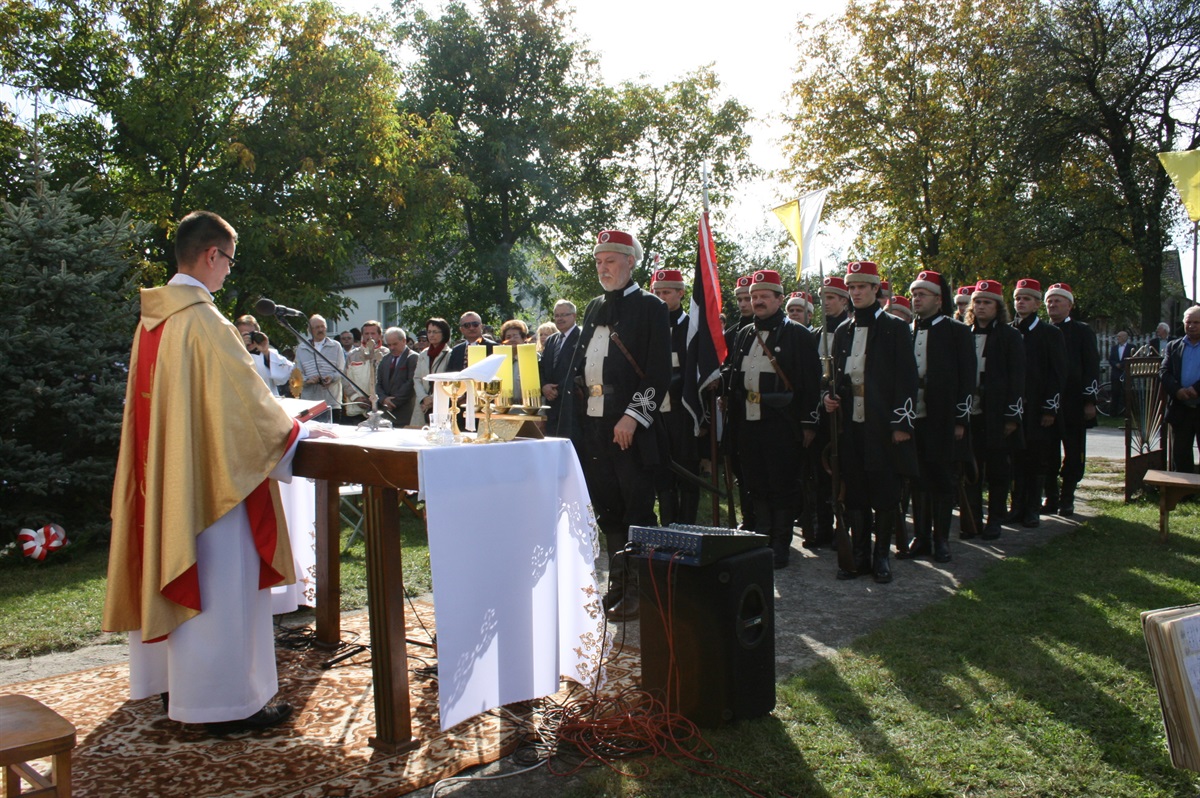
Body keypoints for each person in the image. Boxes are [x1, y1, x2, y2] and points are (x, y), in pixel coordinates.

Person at [102, 210, 335, 733]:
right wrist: (296, 431)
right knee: (222, 587)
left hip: (168, 479)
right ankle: (225, 706)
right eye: (229, 259)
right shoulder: (204, 322)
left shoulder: (153, 320)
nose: (229, 270)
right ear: (212, 254)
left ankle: (176, 687)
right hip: (213, 488)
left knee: (181, 568)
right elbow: (247, 407)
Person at [562, 229, 671, 621]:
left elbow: (658, 373)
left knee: (637, 507)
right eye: (598, 261)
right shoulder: (593, 307)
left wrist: (633, 416)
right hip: (593, 422)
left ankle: (642, 592)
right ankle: (618, 586)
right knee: (608, 507)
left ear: (630, 261)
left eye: (610, 261)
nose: (603, 268)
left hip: (629, 426)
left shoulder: (652, 307)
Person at [822, 261, 919, 583]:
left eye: (862, 287)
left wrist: (901, 424)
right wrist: (828, 398)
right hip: (851, 425)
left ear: (876, 289)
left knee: (885, 492)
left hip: (883, 424)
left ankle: (881, 558)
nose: (856, 292)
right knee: (856, 493)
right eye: (851, 287)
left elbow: (907, 379)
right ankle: (860, 555)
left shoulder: (895, 328)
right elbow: (836, 378)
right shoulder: (843, 331)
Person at [728, 269, 821, 567]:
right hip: (748, 421)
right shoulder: (744, 334)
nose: (757, 301)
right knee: (755, 482)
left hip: (781, 422)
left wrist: (808, 423)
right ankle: (761, 537)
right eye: (754, 296)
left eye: (764, 296)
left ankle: (780, 543)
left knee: (781, 484)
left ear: (779, 299)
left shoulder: (798, 334)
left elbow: (810, 383)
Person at [898, 271, 975, 563]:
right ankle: (921, 537)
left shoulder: (957, 332)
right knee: (917, 479)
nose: (916, 299)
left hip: (942, 417)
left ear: (939, 299)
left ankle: (941, 539)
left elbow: (967, 378)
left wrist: (960, 419)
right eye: (914, 294)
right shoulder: (906, 330)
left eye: (923, 294)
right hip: (912, 415)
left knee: (941, 478)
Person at [962, 280, 1025, 540]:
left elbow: (1017, 377)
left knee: (998, 469)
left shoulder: (1010, 336)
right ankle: (973, 520)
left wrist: (1012, 415)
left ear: (998, 307)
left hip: (997, 413)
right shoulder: (964, 333)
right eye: (977, 302)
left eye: (987, 302)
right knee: (971, 468)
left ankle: (995, 519)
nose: (981, 307)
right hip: (970, 412)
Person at [1008, 279, 1066, 528]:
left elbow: (1057, 374)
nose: (1021, 302)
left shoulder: (1050, 333)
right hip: (1013, 407)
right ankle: (1016, 506)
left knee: (1037, 458)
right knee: (1015, 459)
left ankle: (1032, 508)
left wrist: (1050, 408)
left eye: (1026, 298)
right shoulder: (1008, 331)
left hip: (1038, 408)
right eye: (1018, 298)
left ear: (1036, 304)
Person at [1043, 283, 1099, 516]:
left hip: (1074, 402)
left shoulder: (1082, 331)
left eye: (1058, 300)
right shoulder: (1043, 331)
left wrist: (1090, 400)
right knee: (1047, 453)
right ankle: (1051, 497)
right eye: (1049, 301)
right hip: (1048, 403)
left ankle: (1067, 498)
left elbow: (1091, 365)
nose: (1053, 304)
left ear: (1070, 305)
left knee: (1074, 453)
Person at [651, 267, 702, 526]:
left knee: (687, 473)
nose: (661, 298)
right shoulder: (648, 327)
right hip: (655, 413)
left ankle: (688, 528)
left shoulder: (693, 328)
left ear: (680, 293)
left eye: (666, 292)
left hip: (683, 412)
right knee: (662, 476)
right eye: (657, 293)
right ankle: (669, 528)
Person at [1160, 306, 1200, 474]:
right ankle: (1184, 488)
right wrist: (1177, 390)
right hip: (1181, 408)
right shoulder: (1174, 346)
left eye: (1196, 322)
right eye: (1188, 322)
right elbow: (1164, 372)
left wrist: (1196, 389)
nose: (1192, 326)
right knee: (1181, 453)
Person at [541, 300, 580, 436]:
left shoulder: (582, 338)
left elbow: (580, 368)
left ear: (574, 316)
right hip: (551, 407)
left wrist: (558, 389)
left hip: (573, 405)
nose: (559, 319)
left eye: (564, 315)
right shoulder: (551, 340)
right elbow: (542, 367)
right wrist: (544, 386)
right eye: (557, 315)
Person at [296, 314, 345, 422]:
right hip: (309, 403)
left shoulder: (336, 346)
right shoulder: (301, 348)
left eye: (322, 326)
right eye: (317, 327)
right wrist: (308, 380)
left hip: (332, 402)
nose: (320, 330)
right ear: (310, 330)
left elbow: (342, 371)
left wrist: (331, 377)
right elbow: (297, 375)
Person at [235, 314, 293, 394]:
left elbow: (286, 375)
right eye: (244, 335)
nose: (249, 338)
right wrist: (241, 347)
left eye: (251, 334)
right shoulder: (232, 355)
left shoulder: (268, 354)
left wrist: (266, 352)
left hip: (268, 398)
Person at [411, 317, 453, 427]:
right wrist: (424, 398)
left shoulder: (449, 354)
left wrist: (432, 399)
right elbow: (417, 378)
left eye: (435, 332)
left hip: (441, 402)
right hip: (422, 404)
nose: (431, 335)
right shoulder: (423, 354)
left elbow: (448, 380)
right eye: (429, 332)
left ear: (444, 334)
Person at [342, 320, 384, 424]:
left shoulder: (386, 354)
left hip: (381, 409)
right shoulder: (352, 356)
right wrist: (356, 398)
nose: (369, 336)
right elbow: (345, 380)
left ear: (379, 335)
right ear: (362, 335)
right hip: (357, 411)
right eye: (366, 333)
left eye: (373, 333)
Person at [377, 326, 418, 425]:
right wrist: (383, 399)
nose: (391, 348)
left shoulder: (413, 357)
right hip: (385, 411)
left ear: (404, 341)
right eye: (389, 345)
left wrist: (393, 402)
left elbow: (410, 383)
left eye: (395, 344)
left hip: (405, 411)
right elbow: (378, 383)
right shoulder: (385, 359)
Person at [1108, 330, 1131, 415]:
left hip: (1126, 372)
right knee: (1115, 392)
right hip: (1115, 373)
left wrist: (1122, 365)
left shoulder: (1131, 347)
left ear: (1125, 337)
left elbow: (1132, 359)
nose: (1117, 338)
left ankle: (1127, 412)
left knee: (1126, 392)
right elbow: (1111, 359)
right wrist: (1115, 364)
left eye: (1119, 336)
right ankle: (1113, 413)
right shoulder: (1114, 348)